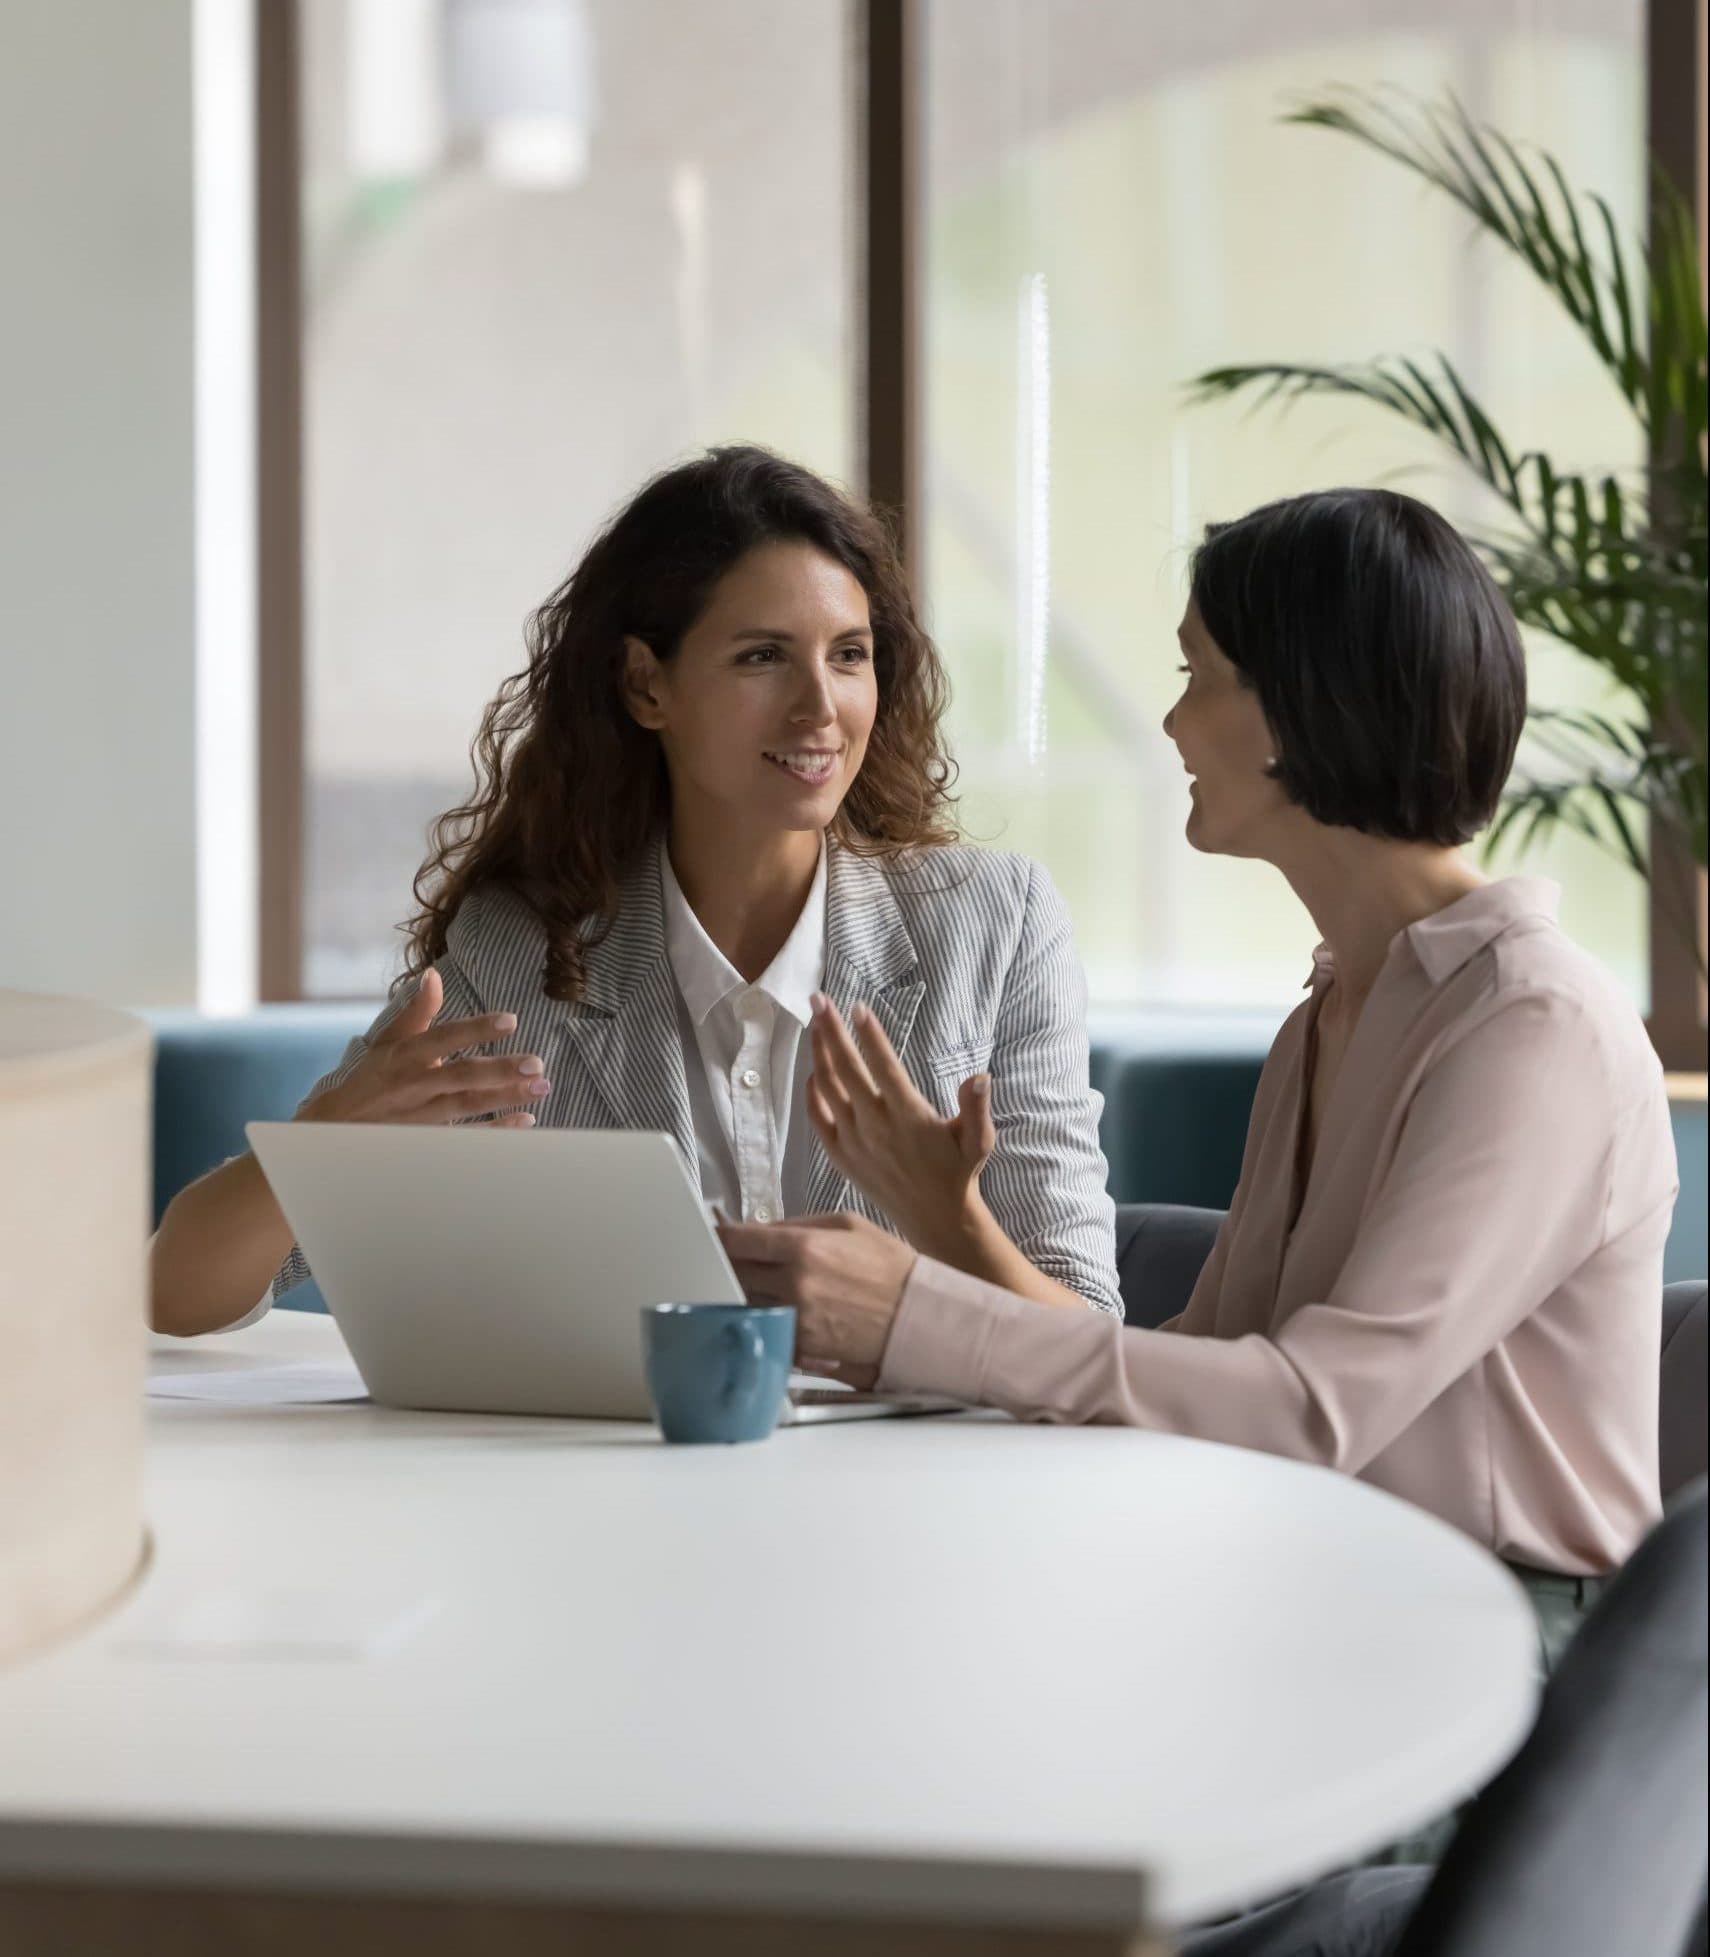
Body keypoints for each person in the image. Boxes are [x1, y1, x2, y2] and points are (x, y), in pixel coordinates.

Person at [723, 486, 1677, 1618]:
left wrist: (912, 1319)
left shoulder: (1532, 1024)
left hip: (1504, 1644)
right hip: (1308, 1595)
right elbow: (1197, 1388)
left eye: (1197, 678)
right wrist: (953, 1225)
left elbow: (1311, 1412)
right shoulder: (1334, 1008)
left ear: (1300, 708)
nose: (1172, 725)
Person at [150, 446, 1120, 1337]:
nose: (820, 706)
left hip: (924, 1502)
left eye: (849, 655)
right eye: (761, 656)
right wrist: (319, 1144)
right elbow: (175, 1297)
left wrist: (946, 1221)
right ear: (647, 686)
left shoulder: (994, 924)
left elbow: (1090, 1341)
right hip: (615, 1505)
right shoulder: (516, 957)